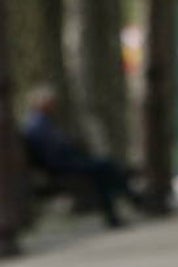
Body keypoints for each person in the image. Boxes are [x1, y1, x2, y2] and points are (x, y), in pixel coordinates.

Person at [20, 84, 143, 228]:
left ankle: (125, 204)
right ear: (41, 104)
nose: (54, 105)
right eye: (50, 102)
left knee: (105, 168)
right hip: (60, 167)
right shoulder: (37, 125)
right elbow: (52, 152)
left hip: (65, 163)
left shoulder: (42, 122)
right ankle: (131, 200)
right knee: (105, 167)